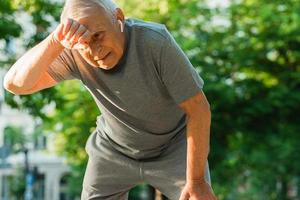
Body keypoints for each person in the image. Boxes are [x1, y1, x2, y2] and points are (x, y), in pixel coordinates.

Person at [3, 0, 217, 199]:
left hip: (173, 147)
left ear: (119, 18)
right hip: (113, 151)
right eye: (84, 43)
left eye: (98, 36)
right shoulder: (74, 54)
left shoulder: (155, 42)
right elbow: (15, 84)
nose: (94, 50)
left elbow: (198, 109)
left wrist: (196, 180)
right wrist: (56, 40)